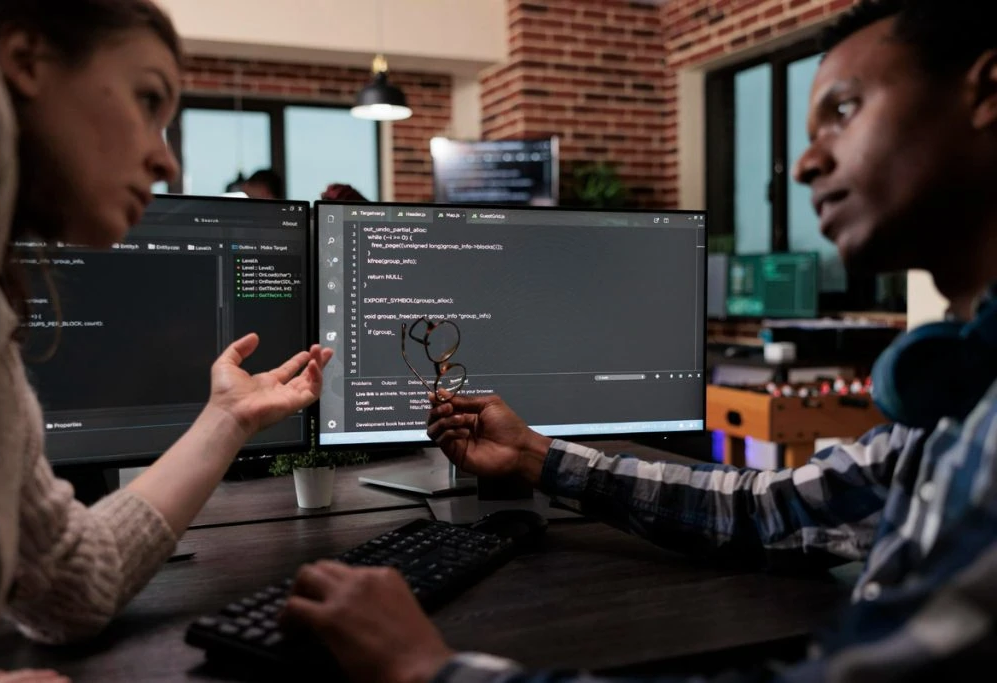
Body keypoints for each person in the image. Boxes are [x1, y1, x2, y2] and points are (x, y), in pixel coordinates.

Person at [279, 1, 997, 680]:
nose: (805, 163)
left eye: (843, 110)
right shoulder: (955, 401)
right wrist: (534, 454)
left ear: (987, 90)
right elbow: (770, 510)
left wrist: (426, 668)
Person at [0, 0, 331, 675]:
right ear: (24, 61)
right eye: (146, 101)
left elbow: (70, 585)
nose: (166, 162)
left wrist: (228, 418)